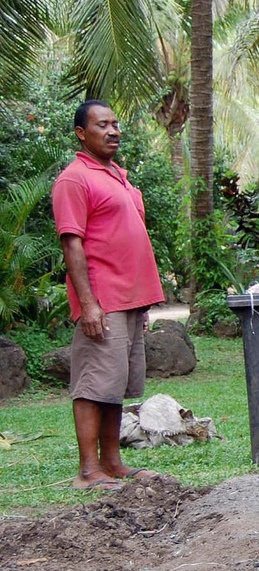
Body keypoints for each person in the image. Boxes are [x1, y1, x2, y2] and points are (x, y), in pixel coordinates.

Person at [52, 100, 164, 491]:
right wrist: (88, 304)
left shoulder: (118, 176)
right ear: (82, 133)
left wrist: (143, 304)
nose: (113, 131)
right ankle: (88, 470)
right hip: (103, 299)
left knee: (116, 384)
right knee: (94, 383)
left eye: (116, 123)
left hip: (131, 300)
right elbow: (72, 244)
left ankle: (112, 462)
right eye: (102, 125)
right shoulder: (74, 179)